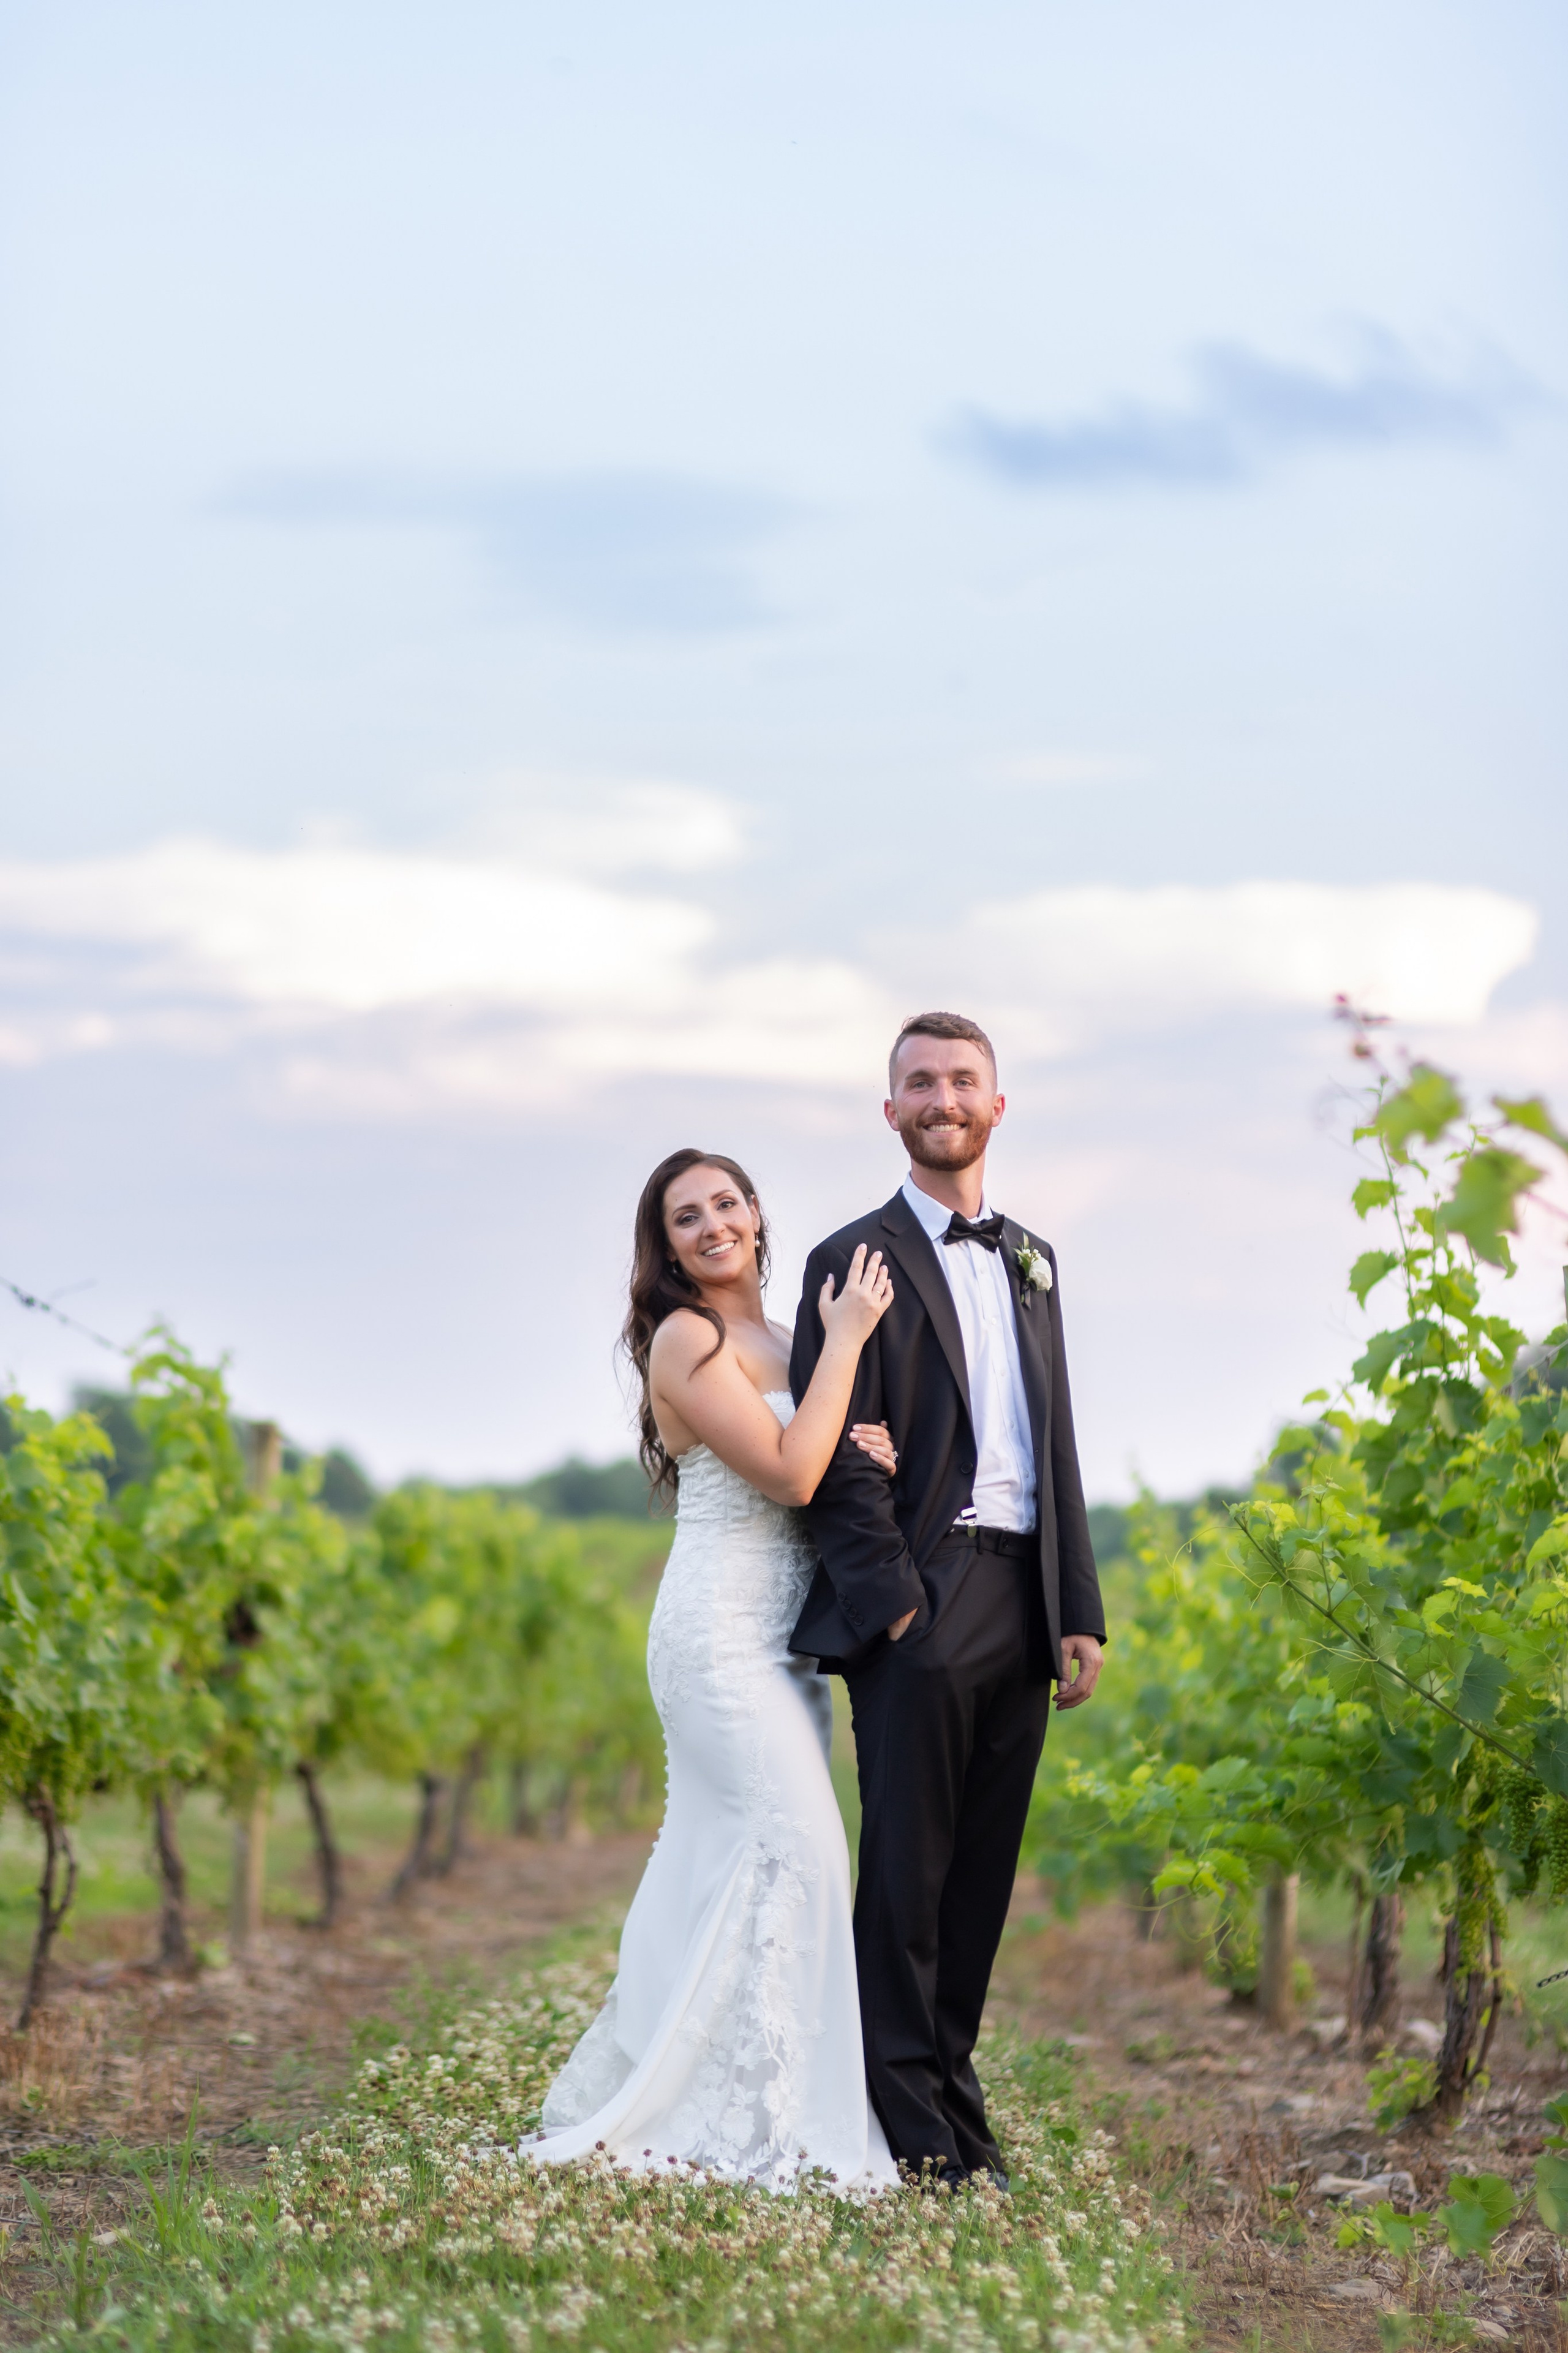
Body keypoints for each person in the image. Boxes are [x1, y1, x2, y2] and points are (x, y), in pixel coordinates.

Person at [527, 1147, 900, 2189]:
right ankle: (764, 2115)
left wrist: (866, 1447)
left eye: (725, 1202)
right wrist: (852, 1348)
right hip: (717, 1635)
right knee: (801, 1849)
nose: (711, 1224)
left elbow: (820, 1465)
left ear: (755, 1214)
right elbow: (786, 1470)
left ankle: (726, 2094)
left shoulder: (782, 1338)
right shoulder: (685, 1337)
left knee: (733, 1854)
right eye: (684, 1216)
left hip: (784, 1647)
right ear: (665, 1247)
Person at [790, 1010, 1106, 2189]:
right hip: (926, 1596)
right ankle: (912, 2130)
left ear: (996, 1104)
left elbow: (1056, 1433)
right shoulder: (848, 1259)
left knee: (980, 1876)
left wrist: (1078, 1603)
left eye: (963, 1079)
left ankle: (954, 2102)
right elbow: (833, 1459)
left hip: (1024, 1589)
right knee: (906, 1877)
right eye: (920, 1082)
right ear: (892, 1113)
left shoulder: (1035, 1258)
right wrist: (896, 1609)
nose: (943, 1098)